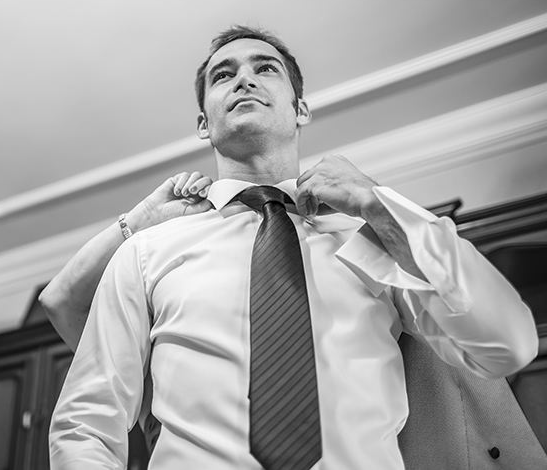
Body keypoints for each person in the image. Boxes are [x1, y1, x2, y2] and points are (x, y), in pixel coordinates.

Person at [46, 25, 539, 470]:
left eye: (265, 69)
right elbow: (86, 423)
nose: (244, 80)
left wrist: (376, 202)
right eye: (223, 75)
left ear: (300, 109)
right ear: (204, 124)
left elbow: (507, 344)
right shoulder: (147, 250)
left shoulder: (371, 237)